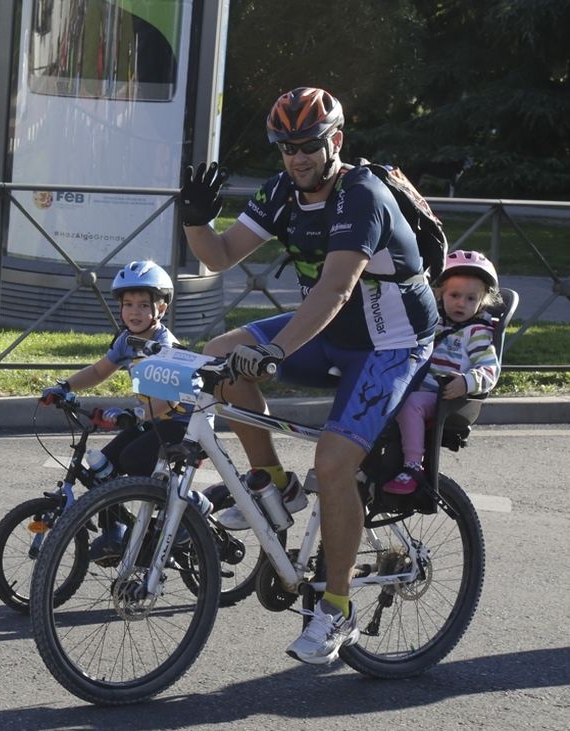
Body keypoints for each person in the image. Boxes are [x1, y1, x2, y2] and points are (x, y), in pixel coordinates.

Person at [179, 86, 439, 665]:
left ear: (335, 141)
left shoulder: (361, 195)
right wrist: (195, 219)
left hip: (391, 344)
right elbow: (219, 256)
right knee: (221, 357)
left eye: (308, 145)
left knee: (333, 461)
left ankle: (337, 610)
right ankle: (273, 483)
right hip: (329, 334)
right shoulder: (281, 193)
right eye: (286, 147)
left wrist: (277, 351)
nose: (297, 157)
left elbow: (337, 287)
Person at [39, 260, 207, 560]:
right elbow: (98, 371)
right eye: (128, 304)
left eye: (144, 305)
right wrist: (65, 387)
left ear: (161, 310)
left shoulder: (165, 346)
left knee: (133, 459)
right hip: (154, 419)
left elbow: (171, 399)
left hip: (184, 421)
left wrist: (136, 416)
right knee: (103, 467)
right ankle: (113, 533)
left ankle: (190, 503)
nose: (134, 312)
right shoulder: (126, 341)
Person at [385, 250, 502, 495]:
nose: (461, 303)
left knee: (410, 405)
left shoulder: (477, 332)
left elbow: (490, 369)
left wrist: (467, 382)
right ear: (440, 294)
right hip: (419, 387)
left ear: (481, 302)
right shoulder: (435, 322)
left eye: (471, 298)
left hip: (446, 395)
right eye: (455, 295)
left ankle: (413, 466)